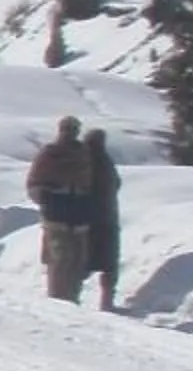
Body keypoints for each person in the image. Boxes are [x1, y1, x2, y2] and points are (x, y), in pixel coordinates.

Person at [26, 115, 95, 302]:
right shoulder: (50, 154)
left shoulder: (84, 154)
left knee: (78, 259)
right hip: (56, 214)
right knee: (60, 258)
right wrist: (47, 196)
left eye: (74, 129)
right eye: (67, 129)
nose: (71, 133)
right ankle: (58, 298)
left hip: (79, 213)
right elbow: (34, 183)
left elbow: (92, 183)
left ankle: (73, 296)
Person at [85, 128, 124, 311]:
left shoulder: (84, 159)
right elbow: (116, 183)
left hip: (91, 218)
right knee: (108, 262)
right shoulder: (104, 160)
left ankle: (76, 294)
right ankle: (106, 300)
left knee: (87, 260)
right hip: (105, 218)